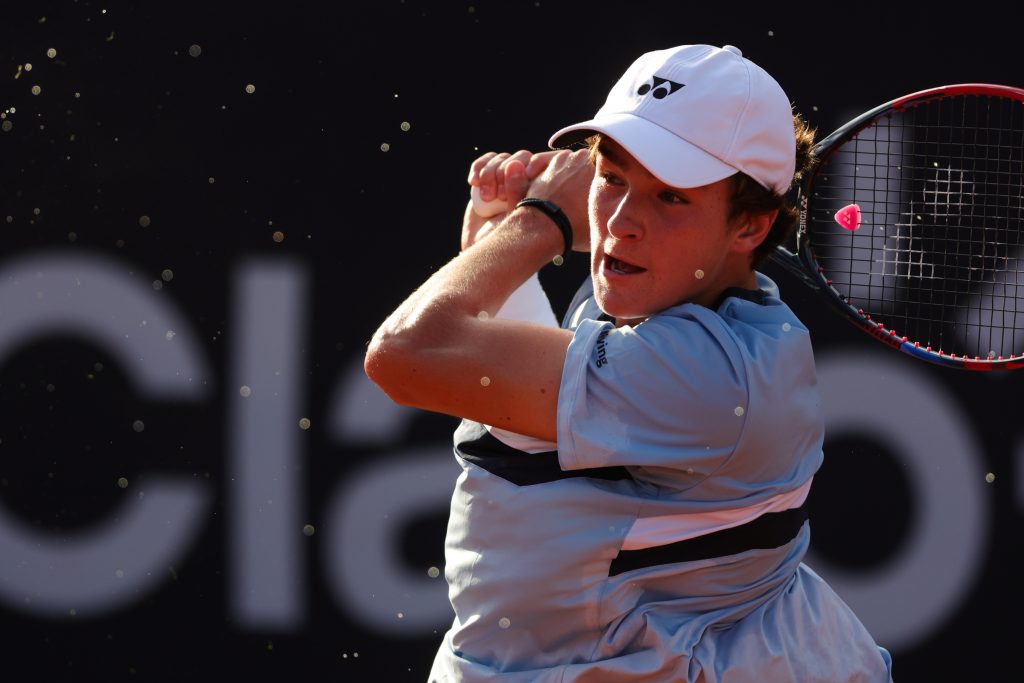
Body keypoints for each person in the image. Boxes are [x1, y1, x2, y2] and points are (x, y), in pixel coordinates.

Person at [364, 43, 895, 682]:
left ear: (750, 227)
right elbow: (520, 424)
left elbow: (405, 355)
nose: (620, 220)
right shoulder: (673, 315)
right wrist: (496, 234)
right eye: (611, 178)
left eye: (670, 197)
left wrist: (540, 223)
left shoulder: (707, 378)